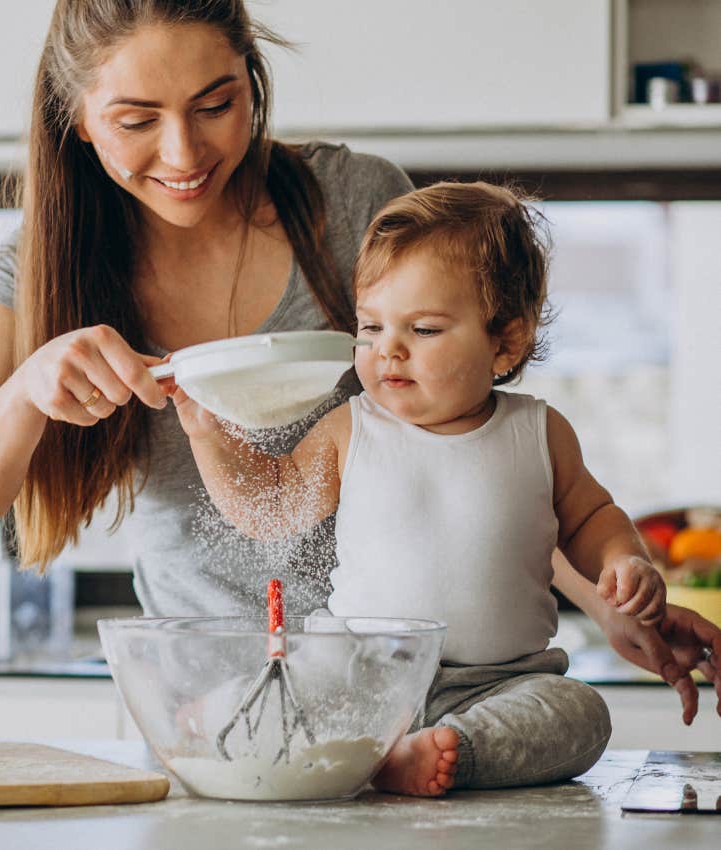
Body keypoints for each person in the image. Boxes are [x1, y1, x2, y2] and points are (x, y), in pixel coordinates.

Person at [0, 0, 720, 727]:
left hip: (410, 689)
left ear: (252, 80)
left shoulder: (353, 199)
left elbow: (470, 463)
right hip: (211, 709)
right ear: (79, 119)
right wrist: (30, 387)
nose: (185, 151)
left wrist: (617, 605)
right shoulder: (37, 270)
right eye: (136, 120)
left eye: (216, 105)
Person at [171, 181, 691, 794]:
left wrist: (624, 560)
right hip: (360, 673)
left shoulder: (540, 432)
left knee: (580, 714)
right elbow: (274, 507)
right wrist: (209, 436)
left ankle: (444, 752)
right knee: (287, 687)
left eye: (423, 330)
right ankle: (295, 732)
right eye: (371, 326)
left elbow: (588, 519)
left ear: (506, 342)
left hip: (501, 681)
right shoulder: (351, 427)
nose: (388, 349)